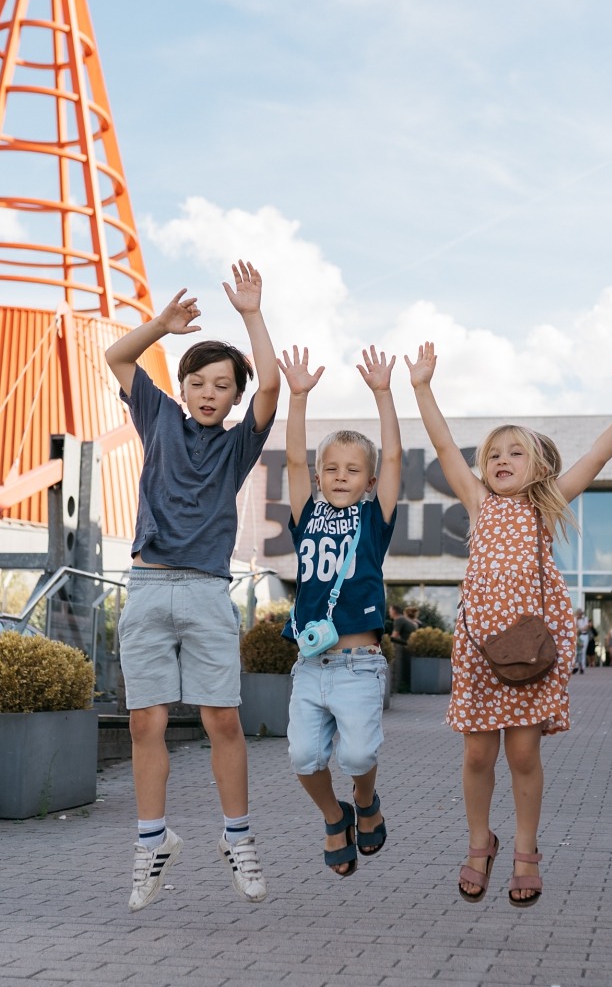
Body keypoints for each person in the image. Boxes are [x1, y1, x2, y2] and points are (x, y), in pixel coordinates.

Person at [406, 341, 612, 907]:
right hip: (480, 650)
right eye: (494, 455)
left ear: (538, 468)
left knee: (523, 756)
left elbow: (596, 459)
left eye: (516, 453)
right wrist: (421, 387)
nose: (502, 461)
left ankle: (525, 847)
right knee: (477, 756)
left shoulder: (545, 504)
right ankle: (477, 842)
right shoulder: (479, 503)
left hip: (533, 650)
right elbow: (441, 443)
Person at [105, 260, 281, 912]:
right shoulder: (156, 416)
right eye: (199, 381)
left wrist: (251, 315)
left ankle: (237, 837)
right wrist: (161, 326)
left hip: (207, 593)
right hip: (148, 589)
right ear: (181, 386)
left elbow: (271, 391)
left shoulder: (237, 447)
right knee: (145, 722)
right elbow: (116, 357)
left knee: (222, 720)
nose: (210, 392)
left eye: (222, 386)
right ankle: (153, 840)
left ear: (233, 399)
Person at [276, 343, 401, 877]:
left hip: (359, 667)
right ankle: (336, 816)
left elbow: (393, 457)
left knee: (356, 759)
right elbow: (291, 459)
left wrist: (383, 393)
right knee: (303, 759)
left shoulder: (375, 520)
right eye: (331, 469)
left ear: (370, 481)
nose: (341, 475)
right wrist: (297, 398)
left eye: (354, 470)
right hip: (310, 666)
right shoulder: (307, 515)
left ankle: (366, 801)